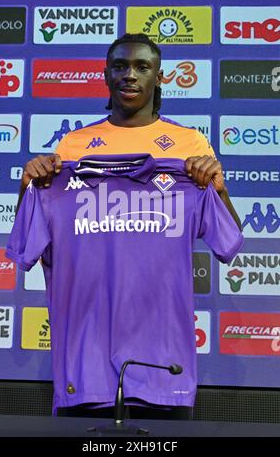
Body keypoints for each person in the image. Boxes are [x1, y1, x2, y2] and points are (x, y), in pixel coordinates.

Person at [15, 34, 242, 420]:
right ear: (105, 75)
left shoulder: (189, 145)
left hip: (163, 364)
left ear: (160, 77)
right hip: (84, 364)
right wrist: (28, 188)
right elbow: (28, 242)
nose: (130, 75)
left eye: (142, 66)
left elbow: (230, 241)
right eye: (120, 66)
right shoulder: (72, 147)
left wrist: (218, 190)